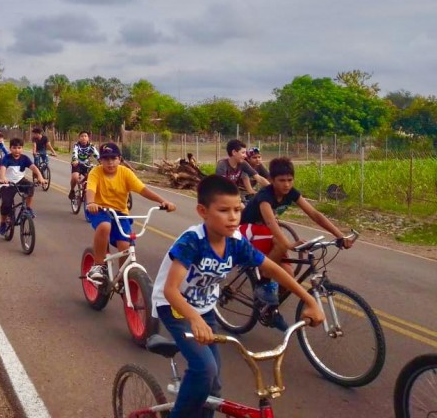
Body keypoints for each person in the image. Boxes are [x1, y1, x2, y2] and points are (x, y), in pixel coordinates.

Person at [151, 175, 325, 418]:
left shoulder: (235, 242)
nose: (233, 217)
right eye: (224, 210)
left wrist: (309, 300)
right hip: (176, 308)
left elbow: (271, 268)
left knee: (214, 384)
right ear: (203, 211)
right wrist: (194, 318)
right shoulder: (193, 241)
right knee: (204, 370)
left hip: (205, 308)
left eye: (237, 210)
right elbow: (171, 290)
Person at [241, 157, 354, 328]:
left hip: (265, 232)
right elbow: (271, 223)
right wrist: (288, 244)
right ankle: (263, 282)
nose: (286, 184)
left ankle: (270, 309)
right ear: (271, 180)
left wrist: (340, 235)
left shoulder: (291, 193)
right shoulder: (265, 196)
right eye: (281, 181)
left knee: (288, 279)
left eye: (289, 180)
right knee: (281, 244)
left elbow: (314, 214)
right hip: (247, 229)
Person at [84, 142, 176, 285]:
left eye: (113, 158)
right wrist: (91, 203)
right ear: (100, 160)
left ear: (119, 159)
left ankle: (123, 279)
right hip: (99, 209)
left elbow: (143, 189)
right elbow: (90, 189)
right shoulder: (95, 172)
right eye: (106, 159)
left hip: (120, 212)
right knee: (104, 226)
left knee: (125, 245)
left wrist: (162, 201)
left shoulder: (125, 173)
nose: (110, 162)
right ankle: (98, 266)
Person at [0, 138, 46, 237]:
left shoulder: (24, 158)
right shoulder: (7, 158)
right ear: (10, 148)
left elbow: (34, 168)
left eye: (19, 148)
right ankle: (2, 223)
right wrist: (2, 178)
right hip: (8, 183)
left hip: (20, 180)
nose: (17, 150)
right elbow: (2, 169)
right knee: (6, 204)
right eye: (14, 148)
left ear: (22, 149)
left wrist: (40, 177)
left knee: (30, 186)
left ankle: (28, 208)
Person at [69, 131, 99, 200]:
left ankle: (84, 186)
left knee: (91, 178)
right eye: (82, 136)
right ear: (79, 138)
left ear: (88, 138)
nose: (84, 138)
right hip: (77, 164)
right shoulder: (76, 145)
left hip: (87, 164)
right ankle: (72, 190)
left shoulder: (91, 146)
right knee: (75, 177)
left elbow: (97, 155)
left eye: (85, 136)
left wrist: (102, 162)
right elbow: (74, 153)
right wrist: (75, 160)